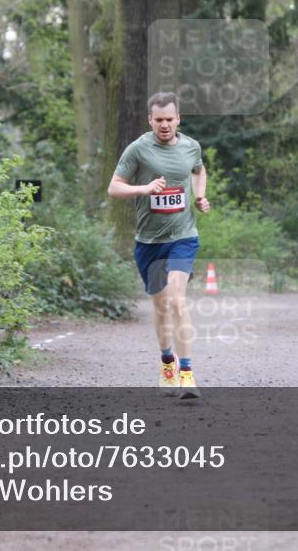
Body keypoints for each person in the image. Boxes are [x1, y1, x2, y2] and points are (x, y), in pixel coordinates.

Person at [108, 92, 211, 399]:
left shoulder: (191, 146)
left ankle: (187, 373)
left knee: (178, 301)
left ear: (178, 119)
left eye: (170, 119)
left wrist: (200, 196)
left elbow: (199, 170)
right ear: (149, 120)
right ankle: (167, 361)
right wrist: (145, 188)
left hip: (183, 237)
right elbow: (114, 188)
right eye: (159, 120)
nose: (164, 125)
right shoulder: (138, 149)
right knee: (161, 305)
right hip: (149, 242)